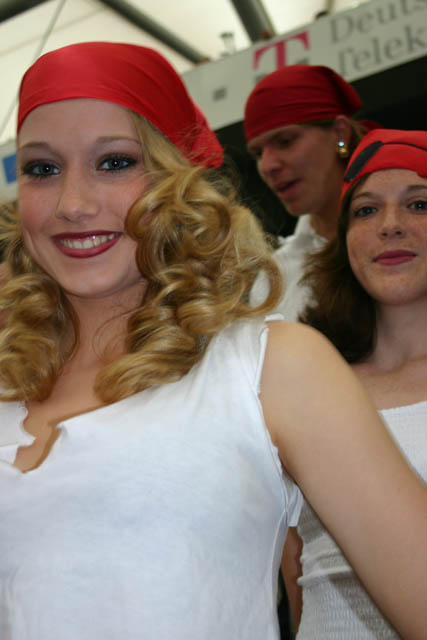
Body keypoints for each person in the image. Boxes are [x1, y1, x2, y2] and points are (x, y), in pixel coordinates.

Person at [0, 43, 426, 640]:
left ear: (177, 181)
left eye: (115, 162)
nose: (73, 204)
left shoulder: (273, 368)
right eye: (43, 169)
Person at [283, 128, 427, 638]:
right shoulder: (303, 385)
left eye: (419, 204)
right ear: (343, 241)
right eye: (366, 210)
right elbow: (292, 562)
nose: (390, 225)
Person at [244, 64, 369, 320]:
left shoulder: (408, 231)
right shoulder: (275, 278)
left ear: (340, 133)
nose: (267, 165)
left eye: (285, 141)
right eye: (258, 153)